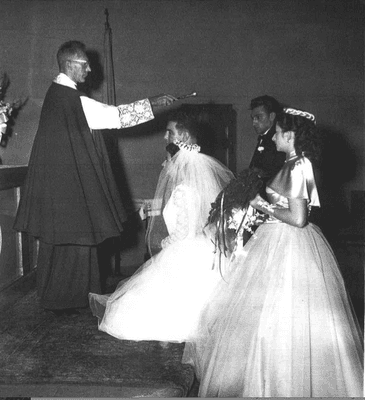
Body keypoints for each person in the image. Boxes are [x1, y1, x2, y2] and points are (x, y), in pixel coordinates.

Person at [183, 107, 363, 397]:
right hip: (276, 240)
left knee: (285, 319)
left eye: (278, 132)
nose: (274, 137)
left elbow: (299, 218)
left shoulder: (298, 165)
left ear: (290, 135)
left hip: (290, 245)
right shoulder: (291, 162)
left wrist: (259, 204)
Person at [13, 40, 176, 316]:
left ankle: (61, 297)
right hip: (69, 190)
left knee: (64, 243)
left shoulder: (56, 95)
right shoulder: (71, 99)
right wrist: (153, 103)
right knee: (76, 240)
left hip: (59, 188)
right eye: (84, 64)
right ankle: (73, 299)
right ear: (69, 65)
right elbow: (115, 117)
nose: (89, 70)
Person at [88, 110, 234, 342]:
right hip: (200, 248)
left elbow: (183, 231)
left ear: (183, 139)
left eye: (170, 133)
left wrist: (166, 243)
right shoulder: (197, 183)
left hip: (184, 250)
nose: (163, 164)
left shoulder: (183, 190)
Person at [249, 95, 286, 185]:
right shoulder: (264, 137)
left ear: (272, 116)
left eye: (258, 117)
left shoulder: (279, 141)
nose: (254, 122)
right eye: (253, 118)